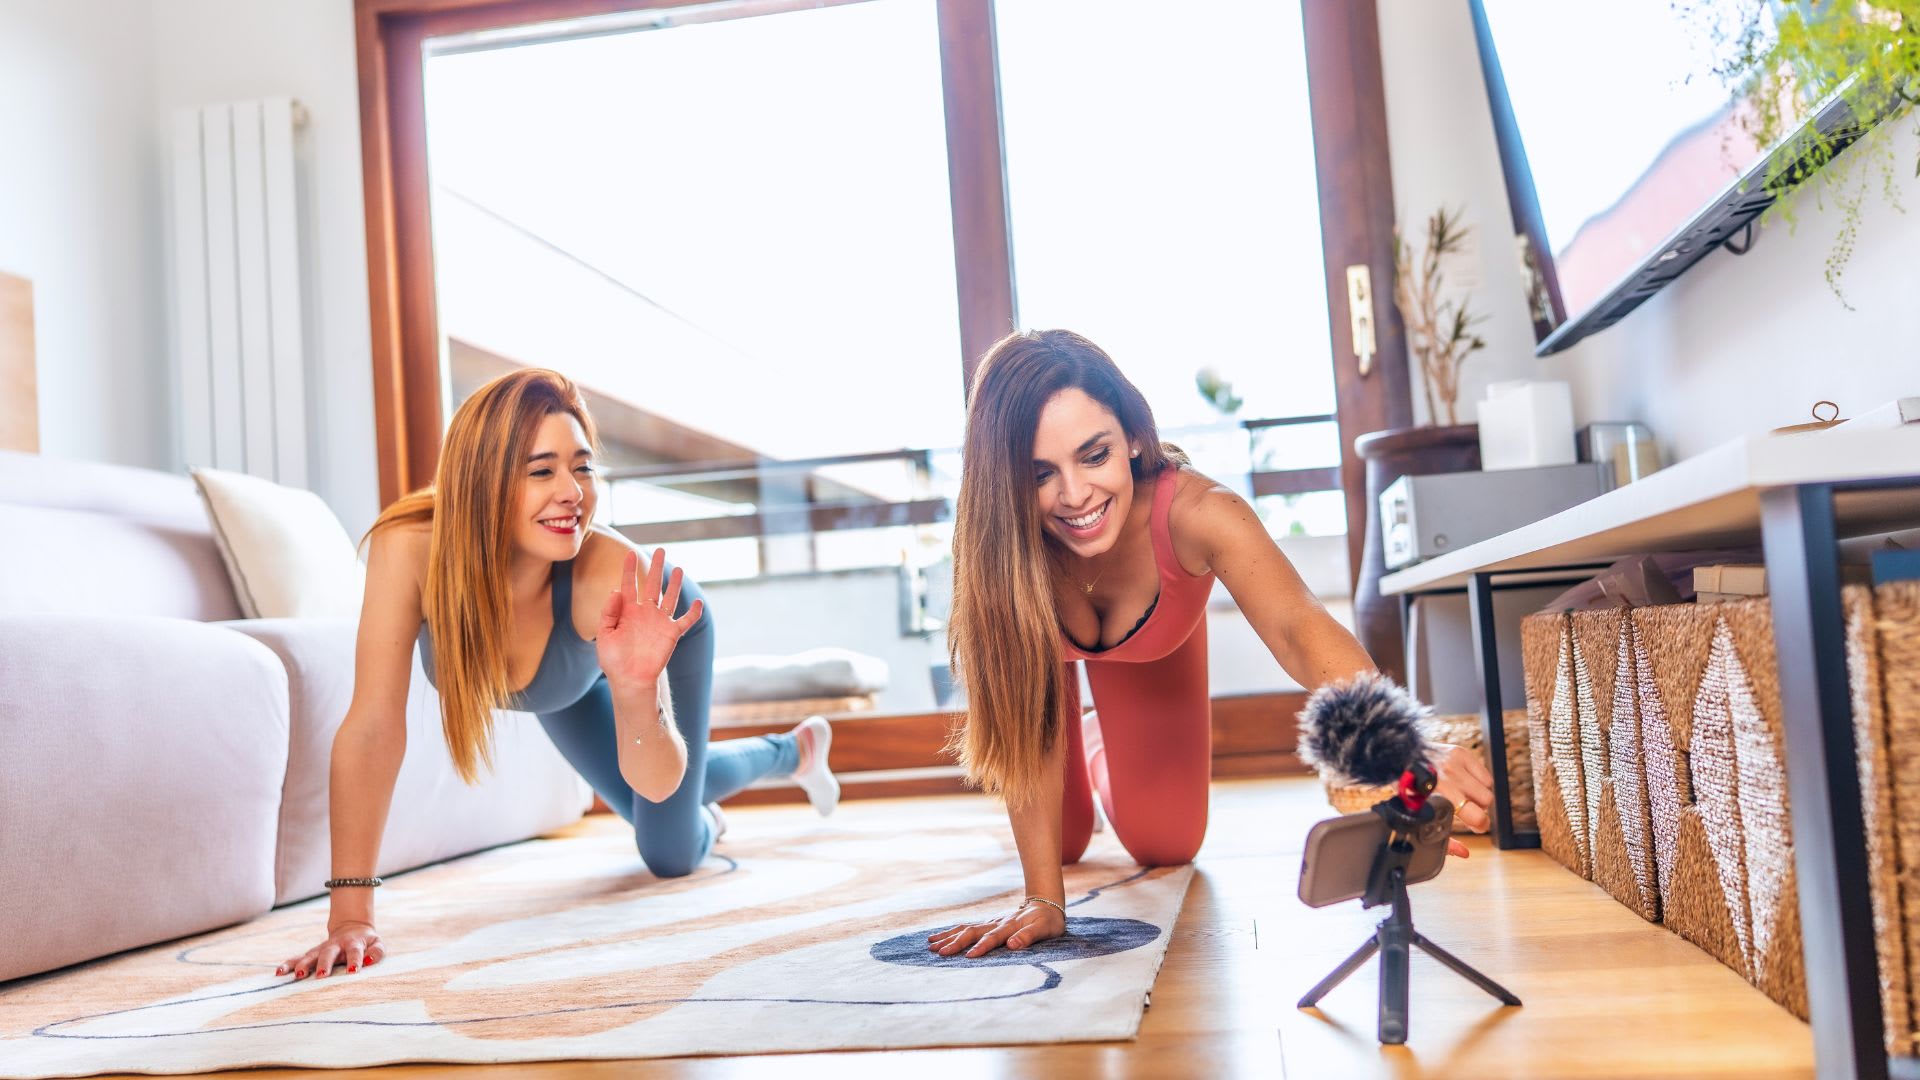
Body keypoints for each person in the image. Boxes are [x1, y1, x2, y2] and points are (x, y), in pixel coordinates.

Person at [927, 329, 1494, 960]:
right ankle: (1071, 722)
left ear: (1133, 436)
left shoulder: (1200, 513)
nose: (1076, 495)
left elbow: (1297, 627)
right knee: (1060, 845)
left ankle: (1092, 736)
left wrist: (1400, 743)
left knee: (1165, 843)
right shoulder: (996, 545)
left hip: (1153, 652)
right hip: (1039, 674)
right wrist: (1045, 900)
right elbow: (1017, 717)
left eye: (1094, 455)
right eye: (1040, 474)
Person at [278, 368, 839, 981]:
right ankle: (799, 750)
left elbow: (655, 782)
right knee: (667, 810)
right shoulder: (410, 548)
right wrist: (348, 917)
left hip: (659, 630)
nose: (573, 490)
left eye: (583, 467)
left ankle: (787, 752)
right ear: (481, 483)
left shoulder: (611, 579)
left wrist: (633, 686)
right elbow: (371, 729)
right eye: (542, 470)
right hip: (562, 681)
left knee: (670, 850)